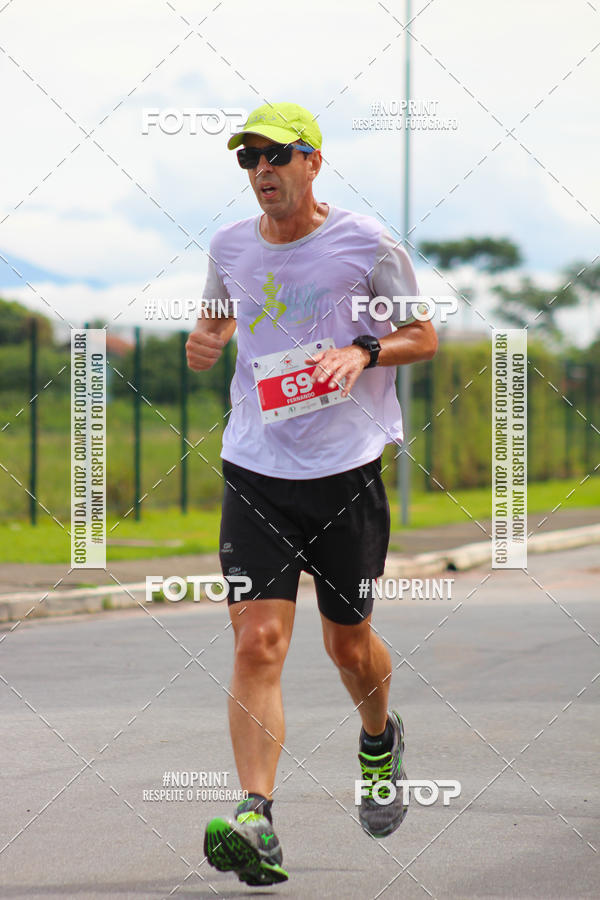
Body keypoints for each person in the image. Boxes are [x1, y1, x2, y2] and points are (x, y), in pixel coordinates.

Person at [186, 101, 437, 887]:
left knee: (347, 645)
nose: (262, 169)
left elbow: (422, 335)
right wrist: (206, 339)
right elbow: (217, 320)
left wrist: (363, 352)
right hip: (256, 467)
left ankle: (379, 739)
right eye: (249, 158)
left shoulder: (365, 242)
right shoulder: (230, 245)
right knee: (257, 642)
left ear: (313, 162)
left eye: (277, 155)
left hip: (345, 471)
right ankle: (255, 817)